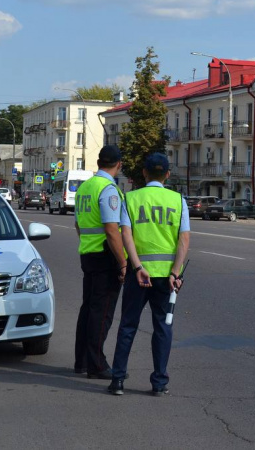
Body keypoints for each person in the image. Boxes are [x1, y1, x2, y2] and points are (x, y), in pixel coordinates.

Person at [108, 152, 190, 397]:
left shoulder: (131, 198)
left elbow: (126, 235)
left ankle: (118, 380)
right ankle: (159, 382)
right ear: (167, 174)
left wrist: (137, 267)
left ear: (143, 173)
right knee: (163, 327)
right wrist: (176, 272)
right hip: (167, 277)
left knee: (127, 326)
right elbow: (184, 240)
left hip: (138, 276)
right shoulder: (178, 200)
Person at [73, 145, 127, 380]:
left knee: (88, 309)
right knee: (101, 313)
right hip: (106, 256)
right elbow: (112, 230)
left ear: (98, 162)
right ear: (119, 164)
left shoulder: (85, 187)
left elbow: (78, 224)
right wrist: (123, 263)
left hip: (88, 253)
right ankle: (97, 364)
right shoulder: (108, 189)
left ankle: (82, 361)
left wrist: (89, 243)